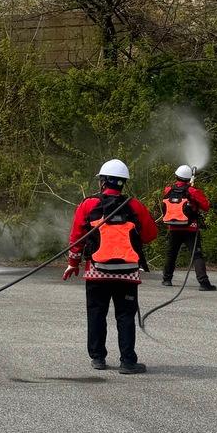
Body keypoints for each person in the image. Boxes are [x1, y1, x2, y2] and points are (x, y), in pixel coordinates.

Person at [63, 159, 158, 374]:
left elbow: (76, 238)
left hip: (96, 271)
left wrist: (72, 264)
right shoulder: (134, 205)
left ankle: (98, 358)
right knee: (125, 316)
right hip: (127, 273)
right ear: (123, 182)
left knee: (96, 313)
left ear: (102, 182)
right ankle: (127, 362)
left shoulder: (88, 205)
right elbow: (151, 235)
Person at [157, 164, 216, 291]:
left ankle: (167, 279)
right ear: (189, 178)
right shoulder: (192, 191)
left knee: (171, 253)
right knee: (197, 255)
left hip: (173, 227)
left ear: (176, 176)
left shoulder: (168, 190)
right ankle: (204, 283)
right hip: (191, 228)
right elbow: (206, 206)